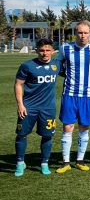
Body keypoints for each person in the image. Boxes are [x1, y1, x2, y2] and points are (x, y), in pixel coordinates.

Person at [57, 21, 90, 174]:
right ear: (75, 33)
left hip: (87, 95)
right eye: (80, 33)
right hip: (69, 94)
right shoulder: (65, 48)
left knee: (84, 127)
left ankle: (80, 160)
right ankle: (65, 162)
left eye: (85, 33)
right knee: (67, 127)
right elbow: (58, 65)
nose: (82, 36)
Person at [14, 39, 61, 176]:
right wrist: (20, 104)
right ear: (36, 51)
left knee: (47, 136)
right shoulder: (27, 65)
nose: (45, 53)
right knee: (21, 134)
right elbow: (18, 84)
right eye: (41, 50)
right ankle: (20, 163)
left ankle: (44, 163)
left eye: (47, 50)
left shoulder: (57, 64)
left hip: (48, 108)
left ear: (53, 51)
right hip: (29, 107)